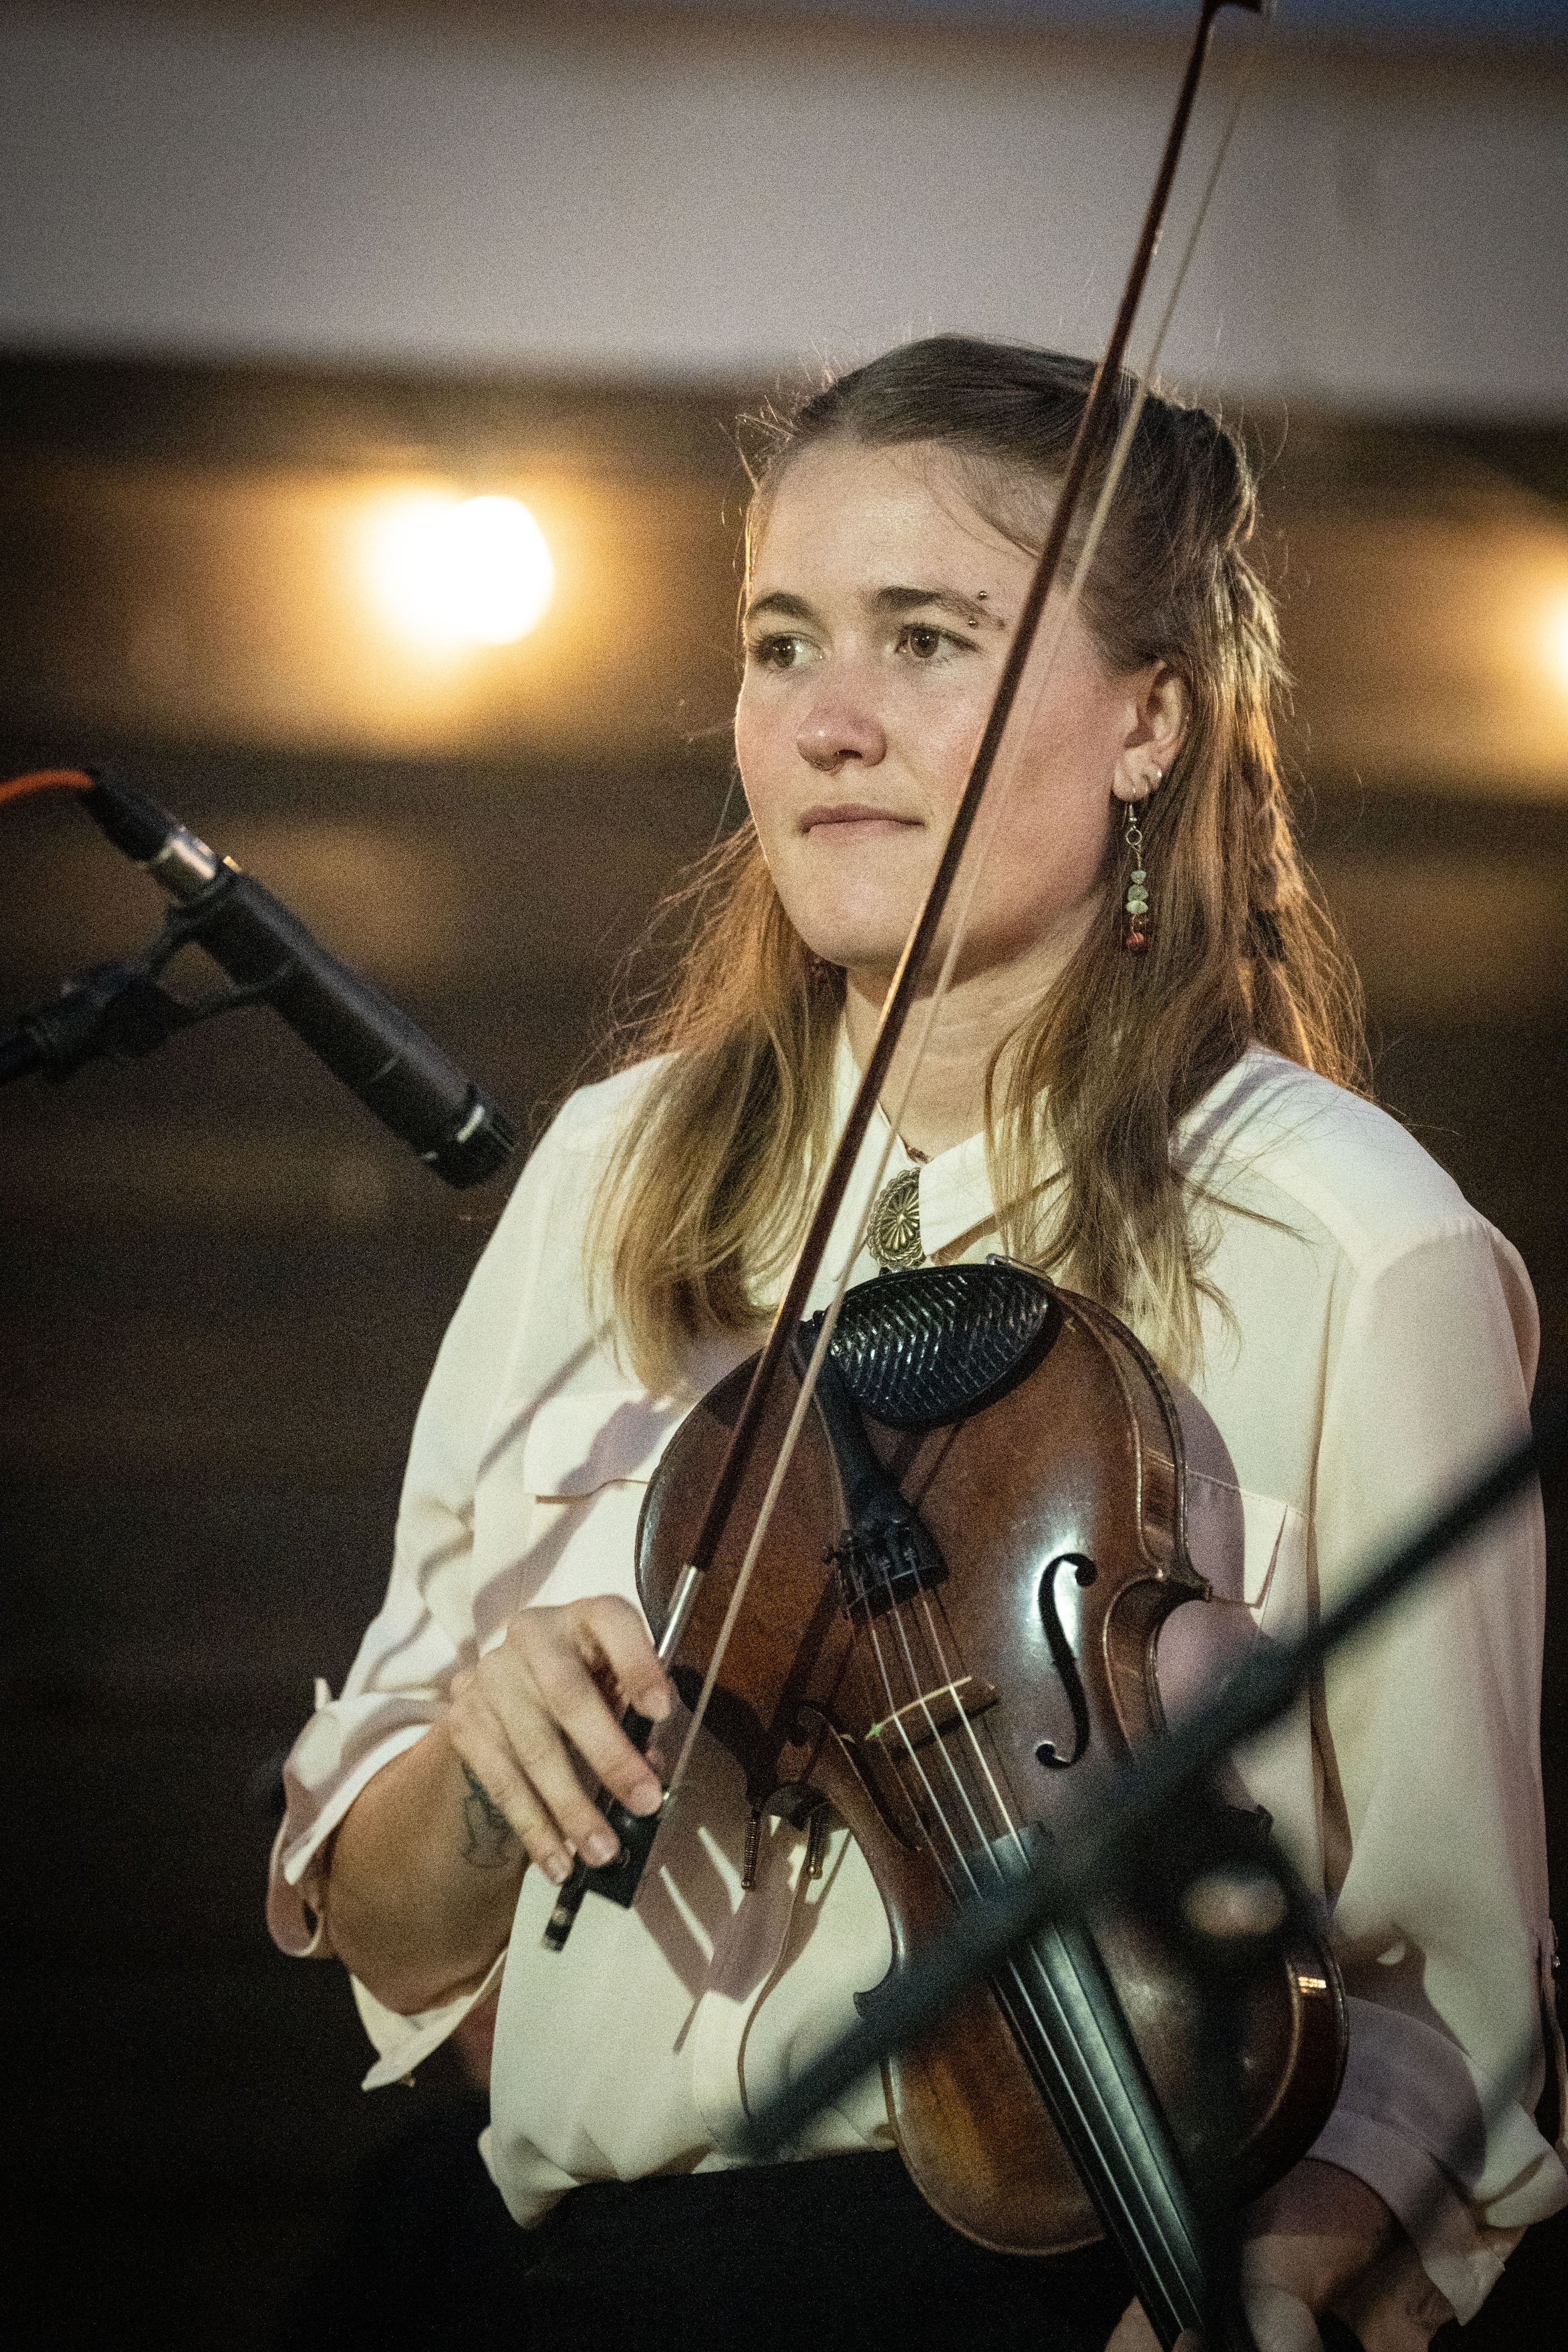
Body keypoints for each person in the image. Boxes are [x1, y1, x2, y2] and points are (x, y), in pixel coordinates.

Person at [268, 338, 1566, 2351]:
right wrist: (480, 1771)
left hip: (1059, 2296)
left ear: (1148, 721)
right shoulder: (609, 1180)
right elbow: (384, 1918)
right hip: (585, 2291)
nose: (830, 723)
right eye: (780, 645)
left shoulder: (1356, 1243)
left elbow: (1442, 1993)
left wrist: (1273, 2277)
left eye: (927, 639)